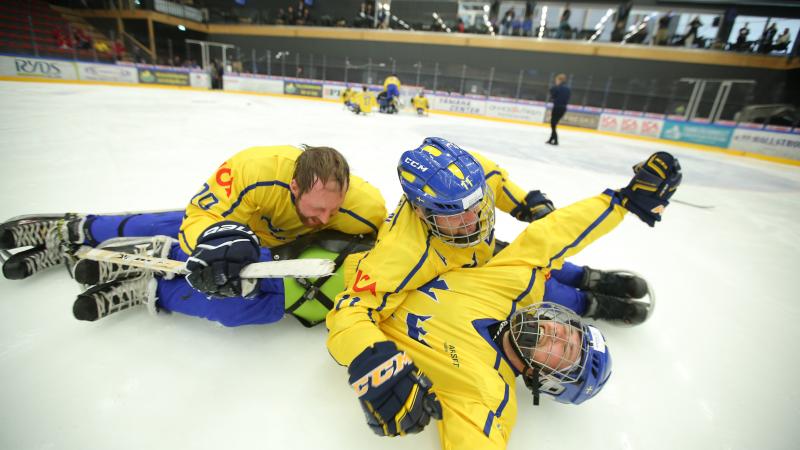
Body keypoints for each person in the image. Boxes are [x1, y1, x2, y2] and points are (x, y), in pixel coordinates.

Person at [332, 150, 682, 447]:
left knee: (538, 281)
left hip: (424, 263)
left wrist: (374, 363)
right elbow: (550, 236)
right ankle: (590, 291)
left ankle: (594, 298)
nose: (558, 335)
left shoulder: (487, 395)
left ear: (546, 379)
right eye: (570, 333)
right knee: (540, 281)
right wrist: (622, 201)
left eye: (563, 352)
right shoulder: (508, 291)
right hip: (407, 263)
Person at [0, 145, 386, 326]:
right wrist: (217, 237)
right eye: (315, 208)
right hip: (236, 225)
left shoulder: (365, 208)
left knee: (235, 295)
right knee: (164, 226)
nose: (323, 218)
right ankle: (75, 230)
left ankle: (149, 282)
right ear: (293, 186)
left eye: (332, 210)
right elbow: (200, 215)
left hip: (276, 252)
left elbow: (388, 241)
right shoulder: (252, 170)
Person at [546, 73, 570, 146]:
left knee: (553, 124)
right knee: (554, 123)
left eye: (556, 80)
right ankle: (551, 139)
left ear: (559, 80)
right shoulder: (568, 89)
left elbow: (553, 96)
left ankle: (555, 140)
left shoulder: (556, 88)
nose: (556, 81)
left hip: (557, 107)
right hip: (563, 108)